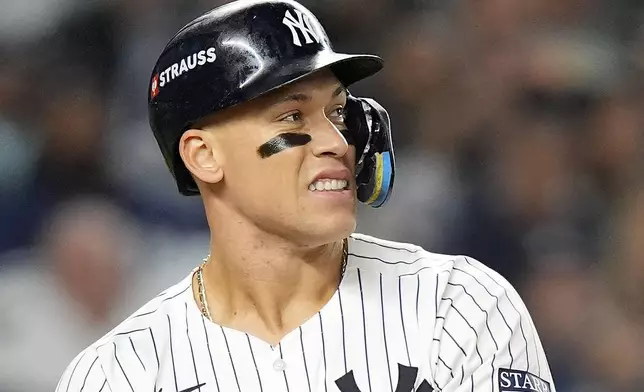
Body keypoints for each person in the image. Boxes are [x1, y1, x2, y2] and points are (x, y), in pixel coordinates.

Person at [57, 1, 556, 391]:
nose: (338, 142)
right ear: (204, 156)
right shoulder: (119, 375)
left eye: (339, 114)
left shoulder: (458, 304)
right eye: (293, 117)